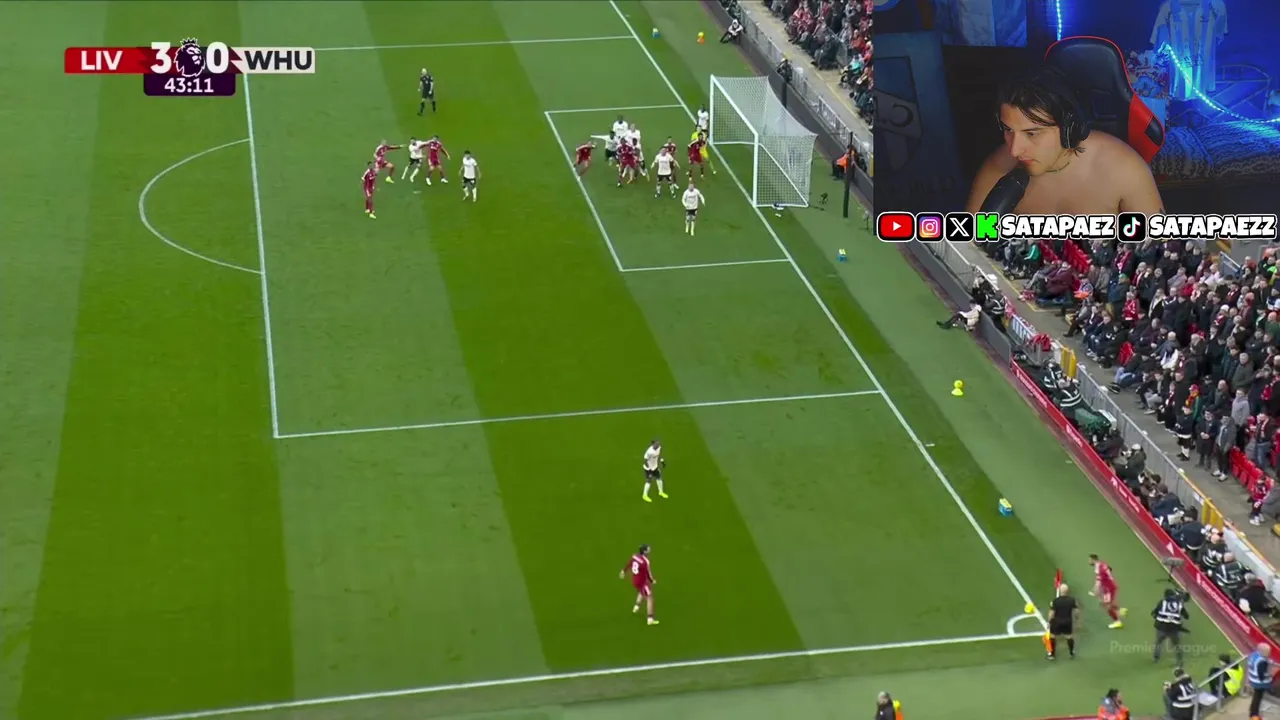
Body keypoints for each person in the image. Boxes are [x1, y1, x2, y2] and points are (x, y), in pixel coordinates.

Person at [963, 66, 1164, 217]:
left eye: (1032, 134)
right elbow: (971, 246)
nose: (1015, 150)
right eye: (1008, 130)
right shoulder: (999, 167)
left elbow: (1159, 248)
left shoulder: (1123, 168)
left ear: (1069, 129)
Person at [619, 544, 658, 625]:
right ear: (645, 551)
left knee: (641, 592)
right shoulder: (645, 561)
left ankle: (636, 607)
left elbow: (629, 563)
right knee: (650, 598)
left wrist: (623, 571)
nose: (649, 549)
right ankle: (650, 619)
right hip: (642, 582)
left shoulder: (635, 556)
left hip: (635, 581)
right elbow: (648, 573)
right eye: (648, 549)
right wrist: (652, 580)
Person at [1152, 587, 1189, 666]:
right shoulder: (1179, 604)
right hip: (1174, 629)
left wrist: (1158, 617)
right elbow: (1186, 616)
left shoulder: (1162, 602)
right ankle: (1180, 662)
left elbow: (1154, 613)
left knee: (1158, 642)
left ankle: (1156, 658)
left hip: (1161, 628)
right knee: (1177, 646)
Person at [1090, 554, 1126, 628]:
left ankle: (1117, 621)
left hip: (1108, 589)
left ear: (1093, 560)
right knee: (1106, 602)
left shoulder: (1100, 570)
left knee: (1106, 605)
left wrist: (1095, 591)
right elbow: (1109, 569)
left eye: (1090, 560)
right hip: (1111, 586)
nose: (1089, 561)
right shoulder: (1102, 564)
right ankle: (1120, 610)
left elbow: (1098, 582)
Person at [1046, 582, 1080, 660]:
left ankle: (1052, 654)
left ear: (1060, 591)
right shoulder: (1072, 600)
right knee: (1069, 636)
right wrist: (1077, 618)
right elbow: (1076, 611)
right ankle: (1071, 652)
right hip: (1067, 621)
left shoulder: (1055, 601)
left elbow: (1052, 613)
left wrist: (1049, 621)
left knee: (1053, 636)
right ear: (1067, 591)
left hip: (1056, 622)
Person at [1247, 643, 1275, 718]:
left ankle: (1252, 710)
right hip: (1259, 683)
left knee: (1256, 696)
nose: (1269, 653)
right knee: (1258, 697)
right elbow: (1261, 677)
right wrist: (1270, 674)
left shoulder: (1254, 655)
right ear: (1262, 651)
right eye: (1268, 652)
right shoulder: (1262, 662)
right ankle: (1254, 714)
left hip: (1253, 679)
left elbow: (1266, 660)